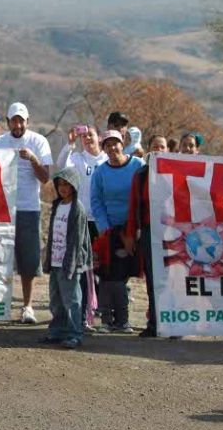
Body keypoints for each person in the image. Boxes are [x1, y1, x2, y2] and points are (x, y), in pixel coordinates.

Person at [0, 102, 52, 324]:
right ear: (7, 122)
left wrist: (33, 159)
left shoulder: (38, 142)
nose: (17, 124)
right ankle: (0, 304)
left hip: (29, 209)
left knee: (28, 261)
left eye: (21, 120)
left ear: (28, 121)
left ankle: (27, 306)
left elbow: (46, 178)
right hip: (3, 210)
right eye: (13, 120)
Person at [90, 130, 145, 333]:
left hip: (135, 229)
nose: (112, 148)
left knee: (124, 277)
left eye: (115, 144)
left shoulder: (138, 166)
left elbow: (146, 195)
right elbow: (96, 202)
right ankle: (107, 320)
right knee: (107, 277)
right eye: (107, 145)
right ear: (103, 148)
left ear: (123, 144)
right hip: (110, 232)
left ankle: (123, 320)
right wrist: (106, 230)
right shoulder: (100, 172)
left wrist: (133, 231)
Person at [55, 124, 107, 330]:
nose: (86, 139)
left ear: (99, 137)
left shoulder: (105, 159)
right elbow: (61, 167)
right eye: (83, 136)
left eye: (90, 135)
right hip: (81, 219)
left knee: (103, 268)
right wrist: (69, 144)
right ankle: (84, 314)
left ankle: (104, 313)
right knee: (84, 269)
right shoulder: (77, 158)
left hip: (101, 221)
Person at [39, 167, 91, 349]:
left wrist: (71, 263)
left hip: (70, 262)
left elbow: (77, 239)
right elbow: (53, 234)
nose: (63, 188)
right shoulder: (57, 205)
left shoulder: (77, 209)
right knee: (56, 299)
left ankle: (75, 334)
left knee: (72, 300)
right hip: (55, 260)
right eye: (60, 184)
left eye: (67, 185)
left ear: (74, 187)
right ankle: (57, 332)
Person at [124, 134, 169, 337]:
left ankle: (173, 323)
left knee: (172, 279)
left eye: (163, 146)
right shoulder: (141, 175)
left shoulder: (176, 174)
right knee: (153, 278)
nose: (159, 150)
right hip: (150, 233)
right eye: (155, 146)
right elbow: (134, 207)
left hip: (172, 232)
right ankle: (154, 323)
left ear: (168, 150)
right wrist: (131, 234)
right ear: (149, 149)